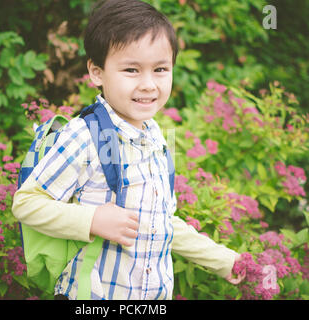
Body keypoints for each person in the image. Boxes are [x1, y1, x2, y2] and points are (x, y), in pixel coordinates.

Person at [12, 0, 244, 300]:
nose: (149, 84)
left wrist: (223, 260)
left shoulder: (157, 137)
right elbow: (27, 203)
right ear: (97, 72)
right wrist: (92, 220)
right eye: (131, 69)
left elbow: (160, 223)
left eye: (160, 69)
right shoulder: (84, 136)